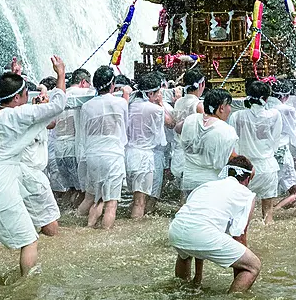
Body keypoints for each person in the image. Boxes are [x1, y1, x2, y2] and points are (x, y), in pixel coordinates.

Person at [0, 58, 67, 279]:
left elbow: (5, 97)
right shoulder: (17, 115)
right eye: (26, 92)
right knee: (29, 241)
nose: (30, 96)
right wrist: (61, 74)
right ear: (17, 97)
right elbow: (58, 106)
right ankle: (28, 289)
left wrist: (13, 74)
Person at [168, 154, 261, 292]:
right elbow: (240, 236)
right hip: (200, 233)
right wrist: (241, 269)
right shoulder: (246, 194)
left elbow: (197, 224)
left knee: (185, 253)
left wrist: (198, 277)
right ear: (247, 179)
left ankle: (184, 289)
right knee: (253, 265)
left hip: (176, 230)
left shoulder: (207, 185)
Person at [78, 66, 130, 229]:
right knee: (111, 204)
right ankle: (105, 234)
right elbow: (124, 124)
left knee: (96, 198)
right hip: (112, 155)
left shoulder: (86, 106)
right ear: (113, 84)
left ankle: (87, 227)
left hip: (93, 156)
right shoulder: (121, 102)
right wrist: (126, 95)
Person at [229, 80, 284, 224]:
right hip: (267, 167)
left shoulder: (238, 116)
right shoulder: (274, 115)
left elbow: (231, 142)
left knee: (240, 214)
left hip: (245, 168)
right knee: (268, 215)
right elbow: (275, 141)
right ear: (266, 98)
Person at [17, 77, 63, 236]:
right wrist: (61, 75)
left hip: (22, 173)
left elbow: (51, 123)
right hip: (31, 175)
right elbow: (57, 108)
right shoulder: (25, 115)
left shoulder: (22, 115)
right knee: (50, 224)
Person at [126, 73, 173, 219]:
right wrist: (160, 104)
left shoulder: (129, 105)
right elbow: (171, 123)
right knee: (141, 202)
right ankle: (136, 230)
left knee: (135, 198)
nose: (160, 94)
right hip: (145, 157)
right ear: (150, 93)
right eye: (158, 92)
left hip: (128, 155)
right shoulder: (155, 109)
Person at [179, 89, 239, 197]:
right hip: (211, 182)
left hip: (189, 180)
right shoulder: (226, 130)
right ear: (221, 107)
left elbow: (177, 129)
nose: (230, 109)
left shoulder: (190, 120)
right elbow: (231, 158)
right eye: (229, 105)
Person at [49, 68, 90, 207]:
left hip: (58, 149)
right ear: (83, 82)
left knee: (70, 189)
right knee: (82, 190)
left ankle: (65, 213)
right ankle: (76, 216)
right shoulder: (84, 93)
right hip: (74, 148)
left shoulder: (59, 95)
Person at [271, 79, 296, 213]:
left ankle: (270, 208)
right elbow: (294, 130)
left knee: (271, 188)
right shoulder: (287, 109)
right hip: (283, 151)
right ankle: (272, 211)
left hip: (269, 151)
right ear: (285, 96)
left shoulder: (266, 107)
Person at [170, 70, 206, 181]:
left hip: (178, 150)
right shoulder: (198, 105)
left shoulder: (178, 102)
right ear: (201, 85)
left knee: (182, 188)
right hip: (192, 152)